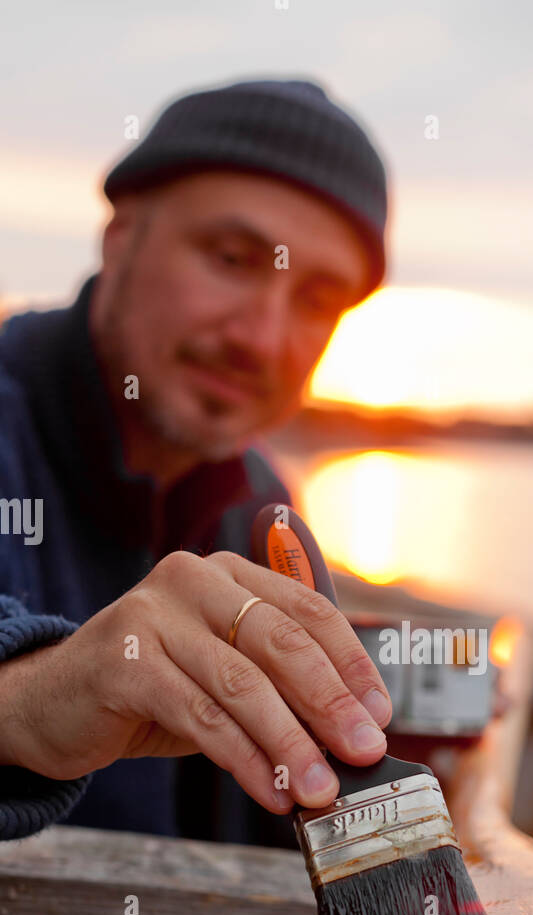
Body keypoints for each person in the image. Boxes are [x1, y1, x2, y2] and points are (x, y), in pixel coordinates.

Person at [0, 78, 394, 847]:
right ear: (122, 237)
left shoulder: (261, 504)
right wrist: (36, 701)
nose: (263, 337)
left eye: (318, 298)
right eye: (232, 258)